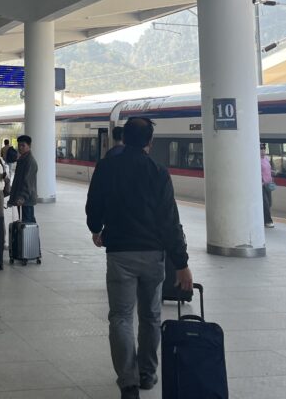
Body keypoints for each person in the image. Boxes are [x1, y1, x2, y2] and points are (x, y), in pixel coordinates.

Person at [85, 117, 192, 399]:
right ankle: (147, 373)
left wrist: (96, 228)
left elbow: (94, 204)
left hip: (120, 253)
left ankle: (128, 383)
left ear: (122, 138)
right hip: (153, 254)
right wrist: (181, 263)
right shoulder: (158, 171)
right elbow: (170, 220)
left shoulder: (106, 167)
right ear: (149, 142)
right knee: (151, 315)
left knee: (121, 317)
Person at [9, 135, 38, 223]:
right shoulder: (22, 159)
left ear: (29, 146)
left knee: (28, 224)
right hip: (22, 199)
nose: (20, 148)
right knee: (25, 225)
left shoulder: (30, 161)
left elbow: (28, 182)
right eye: (19, 145)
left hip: (26, 200)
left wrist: (22, 197)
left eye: (23, 145)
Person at [261, 142, 275, 227]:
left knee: (269, 203)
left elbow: (268, 170)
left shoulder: (266, 159)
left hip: (269, 184)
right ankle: (268, 221)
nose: (263, 150)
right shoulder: (256, 159)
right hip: (262, 185)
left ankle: (263, 219)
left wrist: (273, 172)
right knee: (265, 203)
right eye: (261, 149)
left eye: (264, 149)